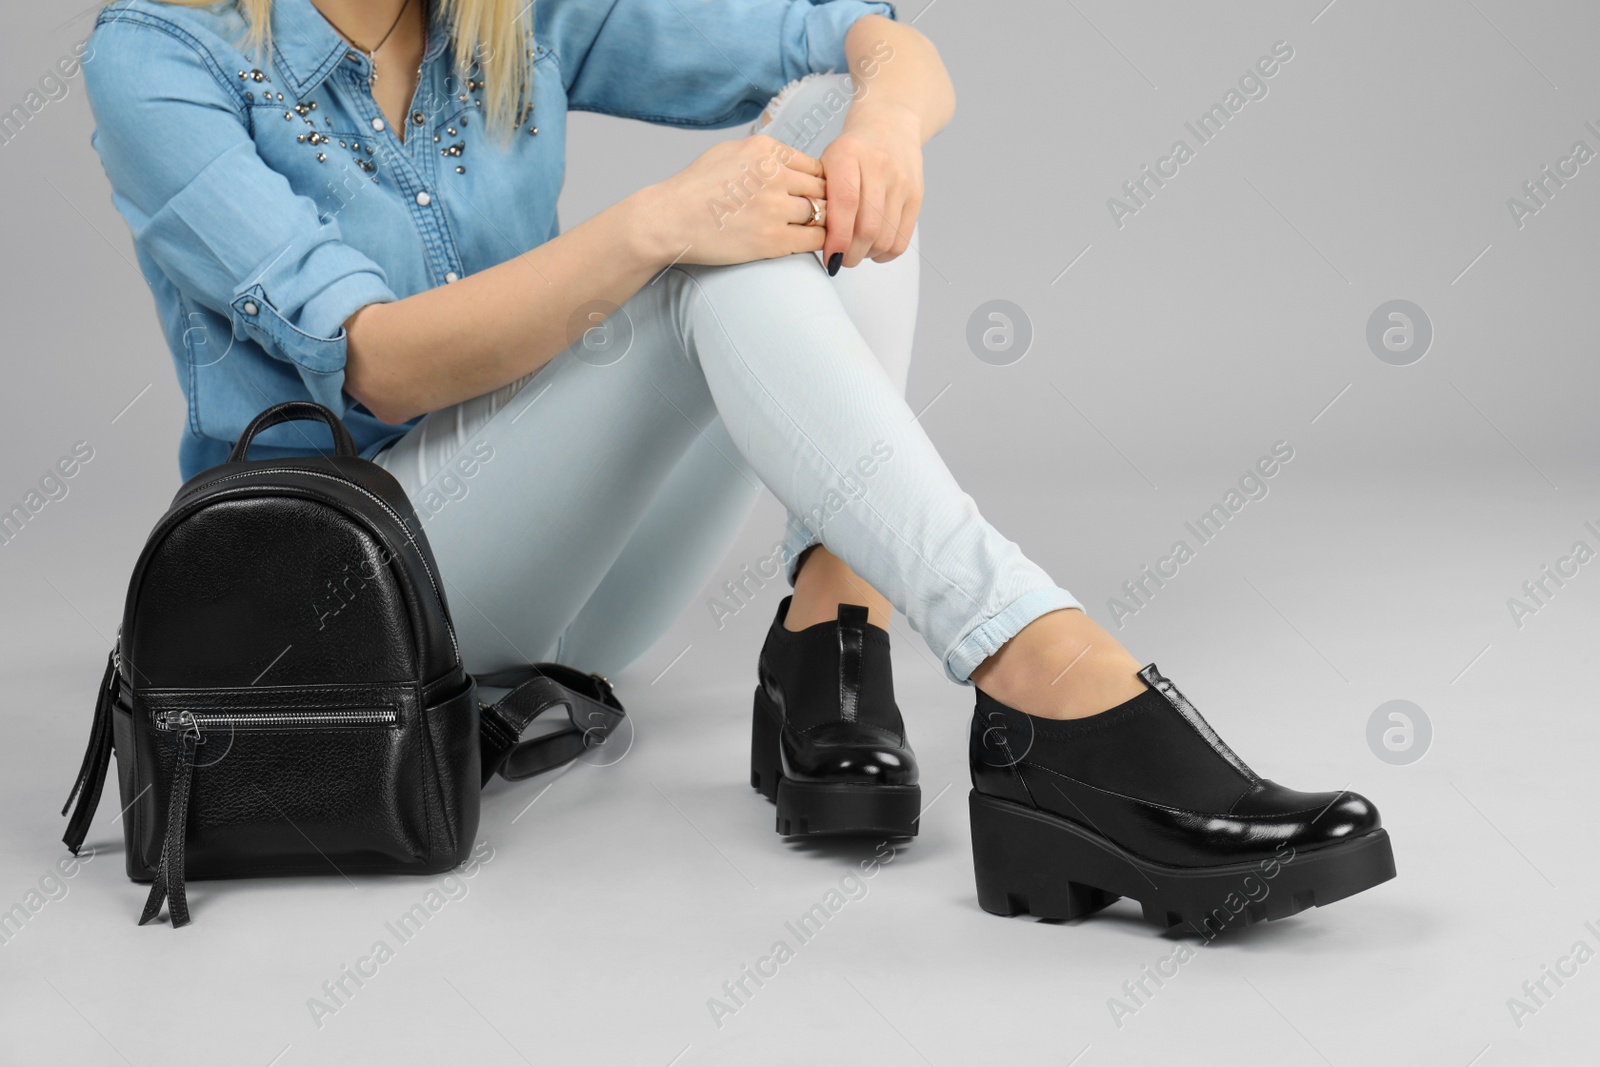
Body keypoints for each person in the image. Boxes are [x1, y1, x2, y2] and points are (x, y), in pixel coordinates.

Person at [82, 0, 1395, 930]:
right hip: (359, 613)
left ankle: (839, 614)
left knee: (814, 127)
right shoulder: (158, 50)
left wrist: (879, 133)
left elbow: (869, 38)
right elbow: (380, 363)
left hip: (574, 602)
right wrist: (650, 230)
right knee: (707, 256)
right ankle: (1038, 667)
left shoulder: (506, 13)